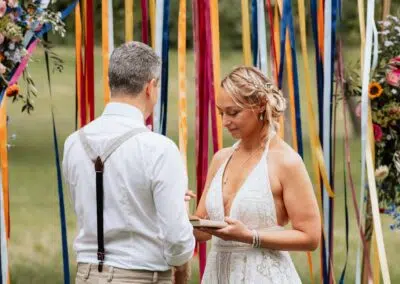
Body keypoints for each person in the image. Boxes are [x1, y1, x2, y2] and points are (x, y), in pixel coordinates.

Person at [62, 41, 195, 284]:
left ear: (111, 82)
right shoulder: (160, 149)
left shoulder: (74, 142)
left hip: (87, 275)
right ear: (150, 87)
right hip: (142, 276)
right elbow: (177, 238)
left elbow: (86, 205)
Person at [194, 66, 321, 283]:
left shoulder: (286, 161)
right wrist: (176, 210)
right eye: (221, 112)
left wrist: (250, 237)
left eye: (233, 112)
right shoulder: (221, 159)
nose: (225, 122)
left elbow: (310, 237)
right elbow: (202, 232)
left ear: (260, 105)